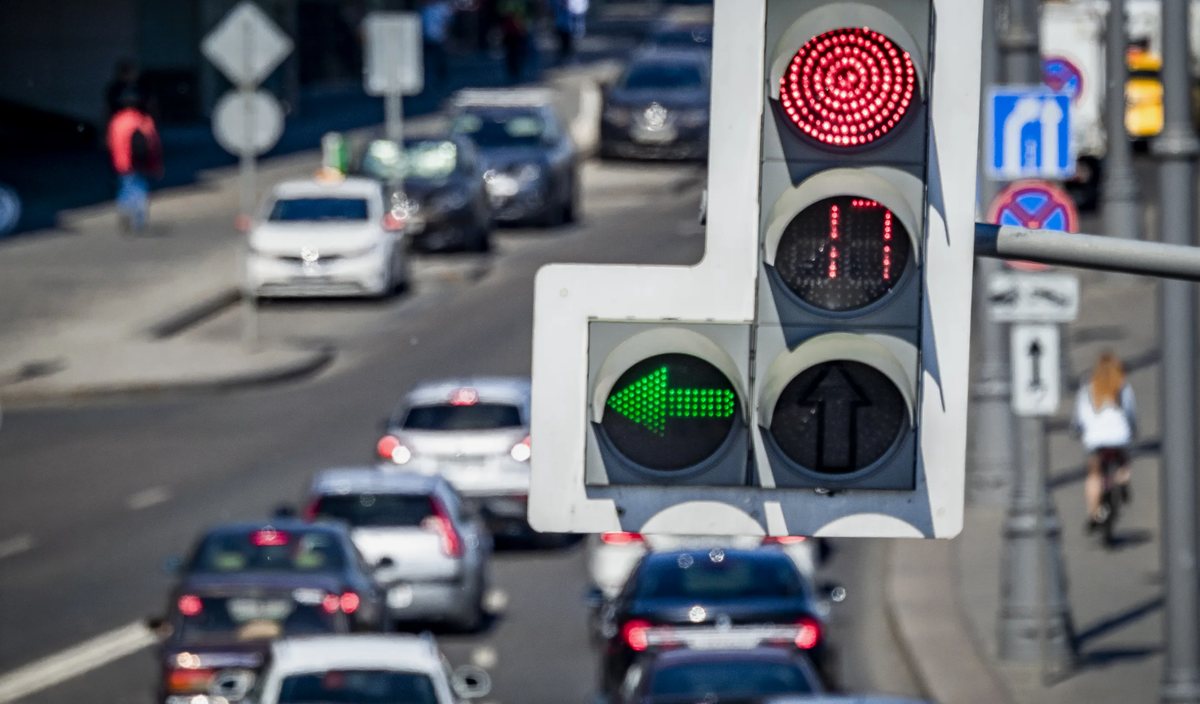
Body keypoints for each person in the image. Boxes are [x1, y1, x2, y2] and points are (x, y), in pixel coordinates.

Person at [1072, 352, 1137, 532]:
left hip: (1095, 439)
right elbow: (1131, 413)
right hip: (1119, 436)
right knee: (1123, 459)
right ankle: (1123, 480)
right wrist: (1133, 430)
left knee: (1094, 474)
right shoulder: (1123, 386)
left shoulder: (1088, 387)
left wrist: (1076, 429)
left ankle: (1094, 512)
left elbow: (1079, 415)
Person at [106, 90, 163, 234]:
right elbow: (154, 144)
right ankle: (138, 220)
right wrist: (155, 165)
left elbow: (110, 142)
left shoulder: (117, 120)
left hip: (121, 162)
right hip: (140, 162)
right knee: (140, 189)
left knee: (125, 188)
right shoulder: (143, 120)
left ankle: (124, 211)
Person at [421, 0, 454, 83]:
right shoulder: (424, 9)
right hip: (427, 38)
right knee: (424, 58)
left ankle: (441, 77)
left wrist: (445, 32)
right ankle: (425, 76)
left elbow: (448, 21)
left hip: (438, 37)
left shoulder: (441, 8)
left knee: (440, 58)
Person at [498, 0, 530, 81]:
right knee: (511, 52)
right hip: (509, 31)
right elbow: (501, 12)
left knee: (519, 52)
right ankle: (512, 70)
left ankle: (516, 70)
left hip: (519, 31)